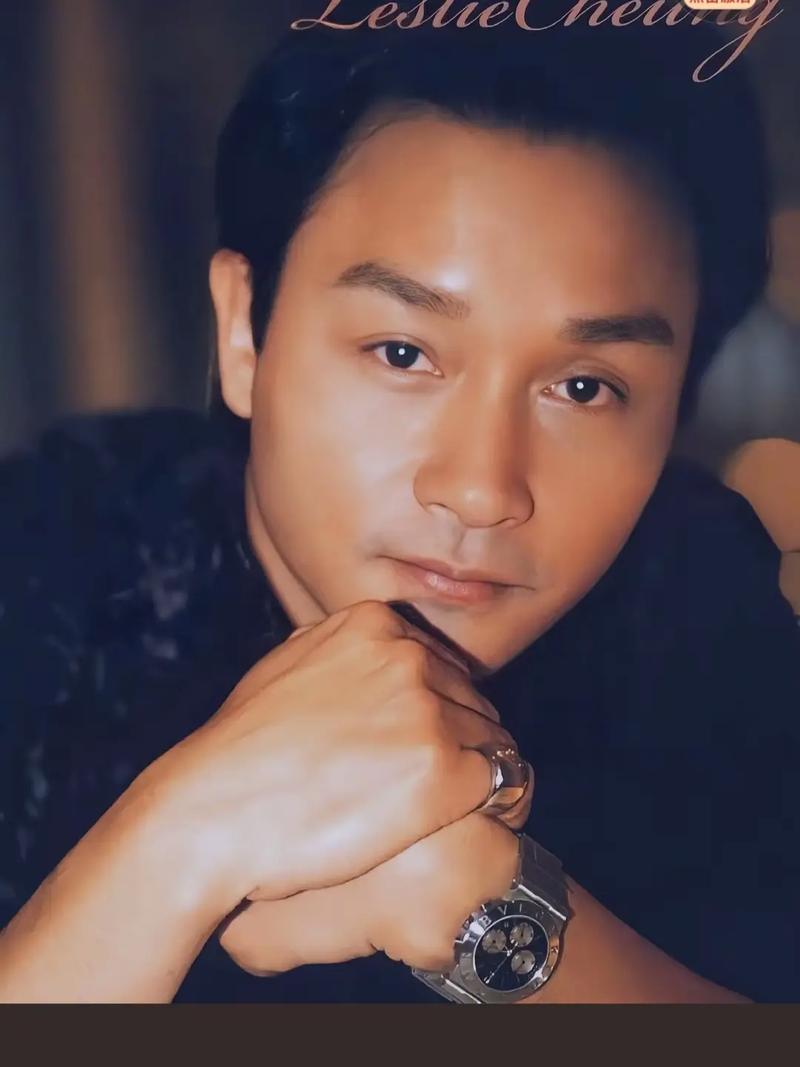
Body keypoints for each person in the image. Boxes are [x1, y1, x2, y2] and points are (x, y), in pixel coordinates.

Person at [1, 8, 799, 1003]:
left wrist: (483, 905)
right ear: (245, 332)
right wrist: (179, 836)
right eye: (403, 352)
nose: (480, 489)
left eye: (583, 387)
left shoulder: (711, 619)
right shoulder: (42, 566)